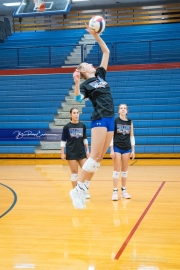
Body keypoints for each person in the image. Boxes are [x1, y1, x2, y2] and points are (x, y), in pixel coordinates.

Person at [69, 24, 115, 209]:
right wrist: (77, 82)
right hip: (99, 118)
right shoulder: (87, 84)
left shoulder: (100, 75)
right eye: (88, 64)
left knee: (99, 157)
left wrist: (96, 35)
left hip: (110, 117)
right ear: (83, 70)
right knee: (94, 155)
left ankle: (85, 186)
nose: (92, 64)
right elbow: (78, 99)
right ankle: (77, 189)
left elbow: (106, 51)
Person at [61, 108, 92, 199]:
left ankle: (85, 190)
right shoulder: (67, 127)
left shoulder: (82, 125)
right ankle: (75, 191)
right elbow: (63, 140)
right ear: (70, 115)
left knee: (86, 170)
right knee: (74, 173)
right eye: (74, 113)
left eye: (77, 113)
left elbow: (85, 139)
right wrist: (62, 153)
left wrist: (87, 150)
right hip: (71, 152)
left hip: (81, 152)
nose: (76, 114)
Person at [110, 104, 135, 201]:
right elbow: (111, 136)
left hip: (127, 148)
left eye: (124, 108)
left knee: (124, 170)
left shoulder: (130, 122)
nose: (123, 109)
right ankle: (115, 191)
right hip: (117, 147)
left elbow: (131, 136)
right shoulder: (115, 121)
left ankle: (123, 191)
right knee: (116, 170)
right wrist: (111, 149)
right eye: (121, 108)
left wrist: (133, 150)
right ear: (118, 111)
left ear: (127, 111)